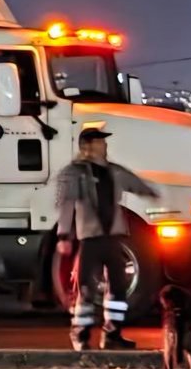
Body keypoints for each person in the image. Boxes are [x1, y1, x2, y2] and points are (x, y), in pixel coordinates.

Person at [55, 128, 158, 350]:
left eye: (104, 142)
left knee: (118, 288)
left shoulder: (113, 171)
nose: (105, 145)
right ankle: (80, 335)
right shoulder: (75, 173)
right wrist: (63, 235)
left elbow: (136, 184)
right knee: (85, 289)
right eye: (100, 142)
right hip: (91, 238)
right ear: (87, 146)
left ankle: (112, 334)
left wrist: (152, 192)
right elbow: (65, 205)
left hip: (114, 238)